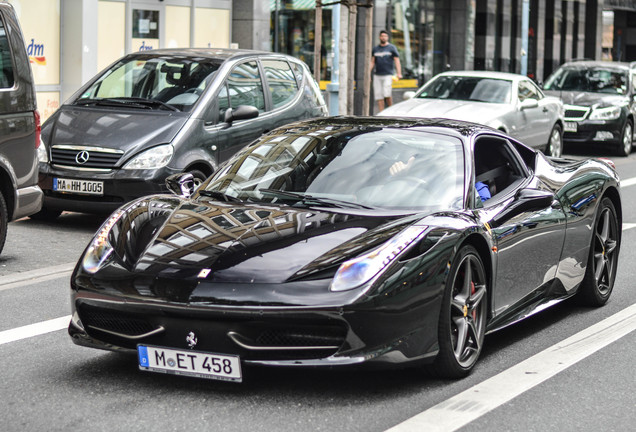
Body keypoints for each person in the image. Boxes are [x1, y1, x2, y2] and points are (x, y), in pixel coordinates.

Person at [370, 30, 402, 113]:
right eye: (382, 36)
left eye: (385, 36)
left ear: (387, 38)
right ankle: (382, 112)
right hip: (377, 75)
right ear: (379, 37)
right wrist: (368, 74)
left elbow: (397, 61)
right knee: (379, 95)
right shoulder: (375, 49)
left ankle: (390, 111)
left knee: (387, 93)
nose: (383, 37)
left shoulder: (391, 48)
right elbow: (372, 62)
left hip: (388, 74)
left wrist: (399, 73)